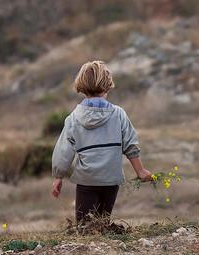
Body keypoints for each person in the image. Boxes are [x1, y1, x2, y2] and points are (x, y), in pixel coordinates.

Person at [50, 60, 153, 224]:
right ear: (107, 86)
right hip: (111, 179)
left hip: (86, 180)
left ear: (81, 87)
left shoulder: (73, 119)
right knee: (103, 223)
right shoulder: (119, 114)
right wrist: (140, 171)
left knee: (84, 227)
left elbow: (64, 150)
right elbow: (130, 145)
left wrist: (58, 176)